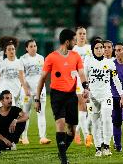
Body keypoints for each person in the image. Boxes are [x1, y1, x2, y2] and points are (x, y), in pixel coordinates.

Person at [35, 29, 89, 164]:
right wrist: (37, 98)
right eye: (74, 40)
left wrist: (86, 87)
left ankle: (61, 152)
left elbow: (82, 73)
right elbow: (42, 79)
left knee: (72, 130)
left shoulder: (75, 56)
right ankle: (64, 159)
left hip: (71, 95)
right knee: (60, 124)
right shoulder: (51, 57)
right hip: (57, 95)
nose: (76, 42)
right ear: (67, 42)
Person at [84, 38, 123, 157]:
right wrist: (85, 92)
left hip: (106, 95)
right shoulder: (89, 62)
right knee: (95, 122)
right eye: (96, 48)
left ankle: (106, 146)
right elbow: (84, 78)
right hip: (93, 97)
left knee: (107, 119)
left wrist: (121, 95)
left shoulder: (110, 63)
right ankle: (98, 148)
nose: (99, 50)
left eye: (101, 47)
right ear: (93, 50)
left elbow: (116, 80)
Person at [19, 39, 51, 145]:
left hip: (40, 90)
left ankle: (42, 137)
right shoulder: (22, 59)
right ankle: (24, 137)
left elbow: (43, 75)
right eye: (31, 46)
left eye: (35, 46)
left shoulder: (41, 58)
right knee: (25, 114)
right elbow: (21, 76)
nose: (34, 48)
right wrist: (25, 88)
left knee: (41, 113)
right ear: (26, 48)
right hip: (27, 91)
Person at [0, 40, 30, 107]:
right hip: (5, 89)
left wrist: (25, 89)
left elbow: (21, 77)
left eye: (13, 49)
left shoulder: (19, 63)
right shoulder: (2, 64)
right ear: (5, 52)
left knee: (14, 112)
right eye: (9, 49)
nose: (11, 51)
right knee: (11, 109)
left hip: (16, 90)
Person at [72, 27, 93, 147]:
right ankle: (87, 136)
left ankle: (77, 130)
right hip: (77, 82)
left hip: (89, 81)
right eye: (80, 33)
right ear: (76, 36)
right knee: (83, 106)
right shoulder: (73, 50)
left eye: (84, 33)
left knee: (89, 109)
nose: (82, 35)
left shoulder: (90, 48)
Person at [0, 36, 19, 107]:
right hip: (0, 84)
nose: (10, 44)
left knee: (14, 106)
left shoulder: (15, 57)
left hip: (14, 84)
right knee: (4, 105)